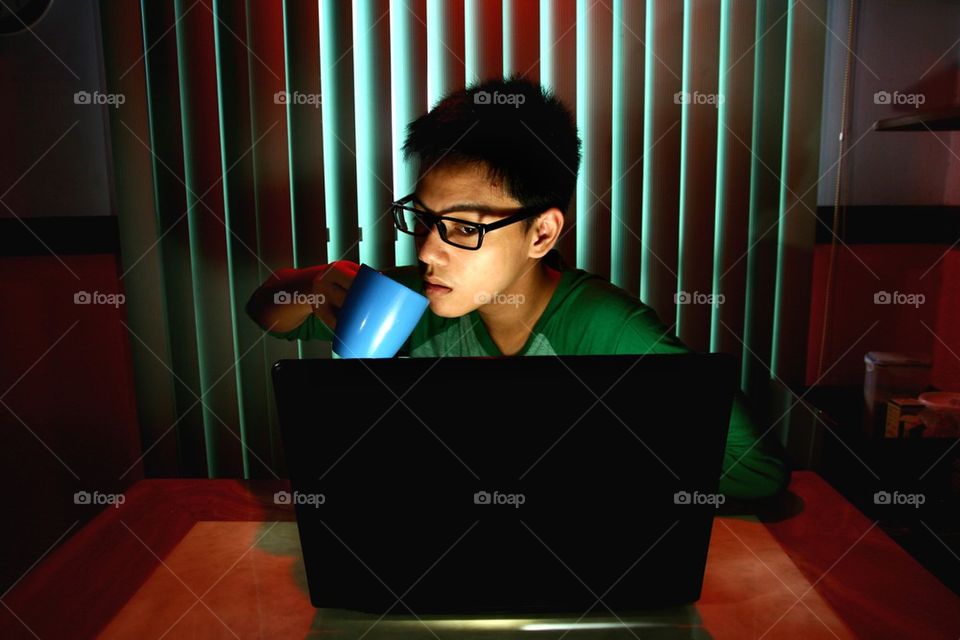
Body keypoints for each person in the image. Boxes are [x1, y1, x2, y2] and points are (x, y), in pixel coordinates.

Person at [246, 76, 790, 499]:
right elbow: (266, 312)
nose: (429, 252)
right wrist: (316, 285)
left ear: (542, 233)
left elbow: (758, 471)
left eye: (466, 227)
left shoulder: (606, 327)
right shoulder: (411, 300)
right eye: (426, 219)